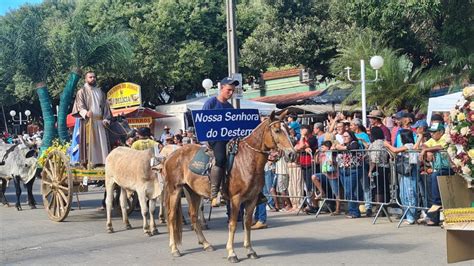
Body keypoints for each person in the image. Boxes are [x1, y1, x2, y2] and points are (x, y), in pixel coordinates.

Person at [202, 77, 237, 207]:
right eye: (229, 90)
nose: (231, 93)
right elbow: (203, 123)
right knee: (221, 158)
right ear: (221, 88)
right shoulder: (210, 103)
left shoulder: (230, 107)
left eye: (233, 91)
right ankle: (214, 192)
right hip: (215, 139)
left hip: (229, 139)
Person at [71, 71, 112, 168]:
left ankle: (103, 163)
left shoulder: (101, 92)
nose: (93, 78)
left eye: (94, 77)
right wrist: (85, 112)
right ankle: (89, 164)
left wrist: (106, 119)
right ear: (85, 79)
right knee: (89, 145)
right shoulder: (81, 92)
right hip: (87, 121)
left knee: (102, 144)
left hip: (100, 122)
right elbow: (79, 106)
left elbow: (106, 108)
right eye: (90, 77)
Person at [384, 129, 419, 225]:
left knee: (410, 194)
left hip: (410, 172)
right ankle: (408, 215)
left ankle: (412, 217)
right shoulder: (404, 146)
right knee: (402, 195)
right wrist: (387, 148)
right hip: (404, 172)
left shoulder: (409, 145)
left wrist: (387, 144)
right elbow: (395, 153)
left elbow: (395, 150)